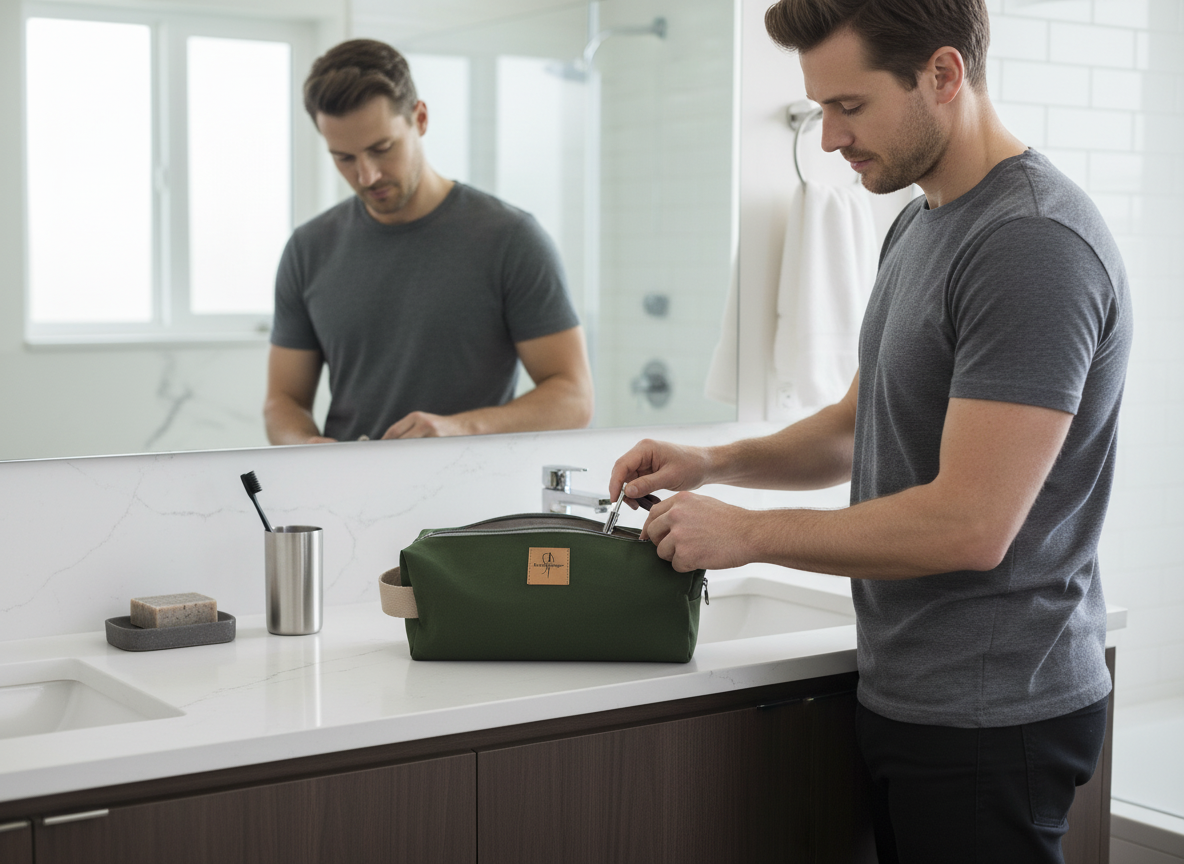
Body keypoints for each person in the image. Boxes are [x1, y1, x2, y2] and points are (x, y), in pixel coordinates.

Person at [609, 1, 1132, 861]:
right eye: (820, 109)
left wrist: (747, 534)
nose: (828, 139)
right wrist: (716, 460)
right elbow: (860, 426)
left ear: (943, 74)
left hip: (996, 712)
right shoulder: (923, 221)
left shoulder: (1029, 242)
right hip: (918, 694)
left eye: (849, 107)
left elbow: (971, 525)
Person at [265, 39, 594, 444]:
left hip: (477, 500)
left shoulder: (511, 239)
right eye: (344, 158)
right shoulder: (307, 249)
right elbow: (283, 400)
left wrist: (460, 428)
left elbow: (574, 396)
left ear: (419, 119)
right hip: (345, 497)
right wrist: (307, 448)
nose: (366, 175)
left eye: (381, 149)